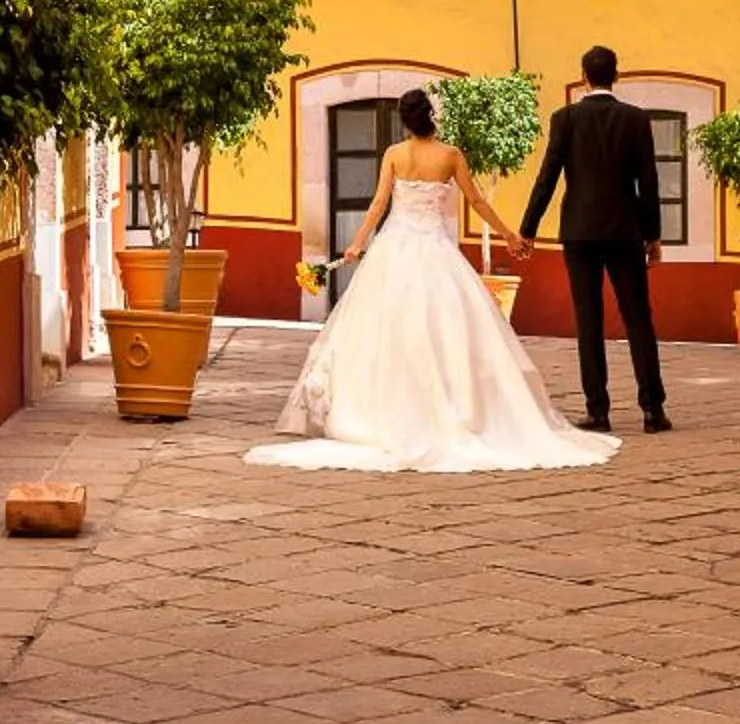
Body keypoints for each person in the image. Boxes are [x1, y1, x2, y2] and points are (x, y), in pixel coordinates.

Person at [246, 89, 619, 473]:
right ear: (430, 115)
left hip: (395, 248)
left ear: (404, 120)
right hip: (437, 251)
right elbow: (477, 201)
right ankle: (461, 410)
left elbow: (378, 204)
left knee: (387, 330)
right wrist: (509, 234)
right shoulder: (450, 155)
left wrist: (357, 244)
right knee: (450, 327)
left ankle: (383, 413)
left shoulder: (394, 155)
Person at [520, 46, 670, 434]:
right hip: (625, 231)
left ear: (583, 77)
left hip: (580, 233)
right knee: (639, 319)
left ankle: (598, 410)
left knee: (589, 320)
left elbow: (548, 176)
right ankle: (653, 410)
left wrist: (528, 229)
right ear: (616, 75)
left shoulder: (565, 119)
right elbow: (649, 182)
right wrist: (653, 236)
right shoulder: (636, 120)